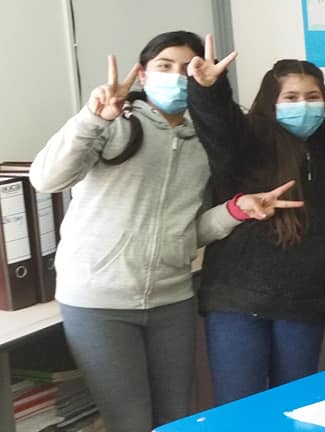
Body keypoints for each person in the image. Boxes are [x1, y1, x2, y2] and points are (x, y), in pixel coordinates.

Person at [28, 32, 300, 432]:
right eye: (164, 66)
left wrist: (234, 211)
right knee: (130, 421)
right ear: (142, 74)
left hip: (170, 298)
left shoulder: (203, 142)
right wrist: (93, 118)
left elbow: (190, 232)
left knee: (177, 420)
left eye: (186, 69)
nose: (175, 76)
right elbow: (46, 179)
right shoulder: (114, 125)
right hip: (98, 299)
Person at [186, 39, 325, 404]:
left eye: (312, 96)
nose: (303, 105)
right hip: (237, 304)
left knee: (293, 407)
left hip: (302, 305)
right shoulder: (247, 140)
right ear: (270, 101)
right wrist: (209, 90)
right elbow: (219, 128)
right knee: (239, 411)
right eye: (290, 97)